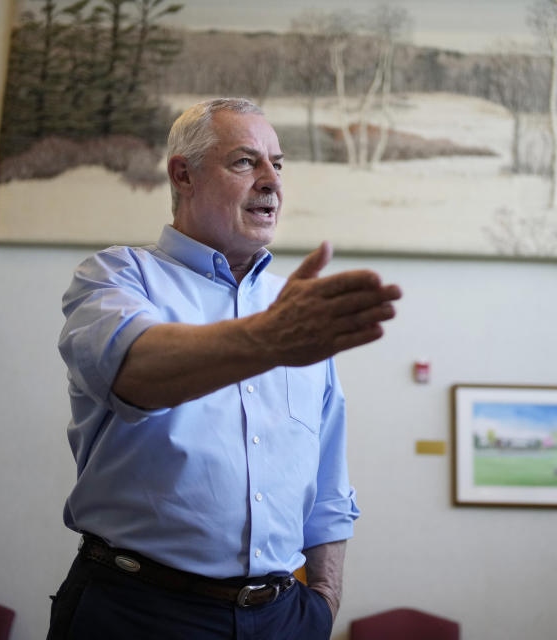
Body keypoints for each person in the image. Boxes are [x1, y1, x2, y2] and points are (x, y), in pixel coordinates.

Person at [48, 97, 402, 639]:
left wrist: (324, 602)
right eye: (245, 161)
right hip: (140, 612)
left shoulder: (295, 308)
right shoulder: (118, 275)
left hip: (285, 616)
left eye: (278, 164)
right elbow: (135, 373)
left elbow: (328, 479)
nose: (271, 181)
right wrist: (268, 339)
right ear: (182, 175)